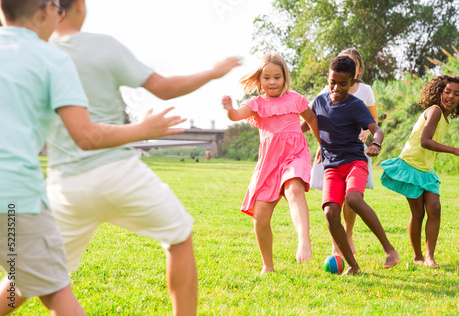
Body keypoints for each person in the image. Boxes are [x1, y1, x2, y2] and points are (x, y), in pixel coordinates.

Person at [45, 1, 240, 315]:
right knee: (179, 235)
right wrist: (213, 72)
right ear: (79, 5)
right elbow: (163, 88)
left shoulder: (41, 56)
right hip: (118, 173)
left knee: (29, 279)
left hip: (66, 186)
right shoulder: (103, 46)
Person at [0, 1, 184, 315]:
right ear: (44, 12)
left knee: (22, 281)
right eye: (56, 7)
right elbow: (85, 136)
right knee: (56, 293)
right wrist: (144, 129)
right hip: (14, 200)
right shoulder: (52, 60)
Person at [221, 53, 321, 274]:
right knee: (260, 217)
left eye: (277, 77)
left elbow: (312, 119)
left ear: (285, 78)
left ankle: (304, 238)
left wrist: (322, 144)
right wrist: (229, 109)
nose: (272, 82)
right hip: (269, 163)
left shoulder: (295, 99)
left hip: (294, 154)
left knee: (294, 190)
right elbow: (236, 115)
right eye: (267, 78)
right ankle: (268, 265)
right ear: (259, 80)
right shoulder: (257, 103)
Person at [380, 75, 459, 269]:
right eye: (447, 92)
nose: (451, 96)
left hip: (426, 170)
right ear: (439, 93)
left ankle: (430, 257)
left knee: (435, 208)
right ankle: (418, 256)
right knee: (418, 212)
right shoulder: (435, 111)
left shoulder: (444, 118)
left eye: (456, 94)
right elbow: (425, 141)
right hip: (410, 166)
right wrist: (455, 150)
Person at [310, 55, 399, 275]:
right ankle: (352, 265)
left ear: (352, 83)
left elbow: (377, 129)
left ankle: (389, 249)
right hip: (331, 167)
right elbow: (304, 124)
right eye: (333, 82)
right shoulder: (319, 101)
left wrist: (376, 144)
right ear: (327, 78)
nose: (336, 88)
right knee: (330, 212)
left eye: (343, 84)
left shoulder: (356, 105)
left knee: (354, 199)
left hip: (354, 162)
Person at [304, 48, 378, 257]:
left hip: (354, 151)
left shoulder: (365, 92)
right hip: (331, 154)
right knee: (332, 202)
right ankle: (337, 245)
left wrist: (366, 134)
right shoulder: (326, 92)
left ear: (357, 70)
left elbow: (373, 122)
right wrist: (321, 144)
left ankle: (348, 234)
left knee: (351, 198)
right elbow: (316, 121)